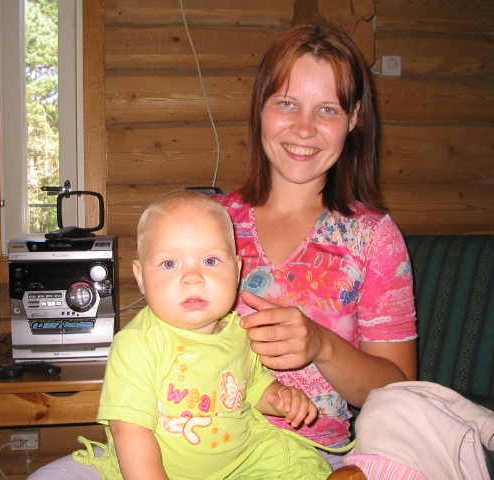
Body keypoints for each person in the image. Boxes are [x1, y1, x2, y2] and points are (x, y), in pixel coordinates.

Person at [31, 189, 347, 480]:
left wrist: (280, 398)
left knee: (303, 464)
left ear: (237, 271)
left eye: (210, 261)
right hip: (166, 470)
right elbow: (130, 433)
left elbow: (249, 386)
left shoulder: (238, 331)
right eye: (169, 263)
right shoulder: (138, 345)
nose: (193, 277)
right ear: (141, 278)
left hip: (245, 460)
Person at [212, 20, 417, 454]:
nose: (304, 128)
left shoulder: (373, 238)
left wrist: (322, 345)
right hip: (197, 446)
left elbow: (398, 390)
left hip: (313, 457)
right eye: (287, 103)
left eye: (327, 110)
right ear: (261, 107)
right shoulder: (211, 222)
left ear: (354, 118)